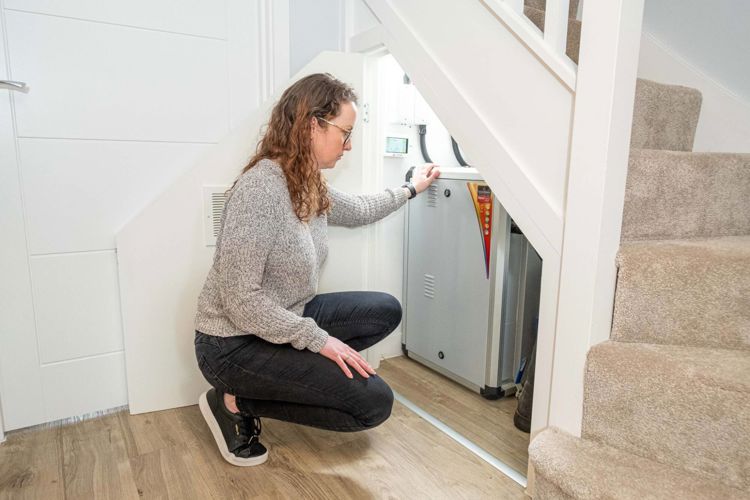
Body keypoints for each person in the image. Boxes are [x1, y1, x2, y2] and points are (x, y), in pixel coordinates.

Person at [194, 72, 440, 467]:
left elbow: (359, 210)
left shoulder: (307, 182)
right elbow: (239, 300)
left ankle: (291, 375)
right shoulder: (261, 188)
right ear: (313, 124)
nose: (349, 144)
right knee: (373, 403)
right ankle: (233, 399)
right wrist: (318, 340)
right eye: (345, 132)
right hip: (230, 343)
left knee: (384, 309)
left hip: (283, 319)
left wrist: (411, 189)